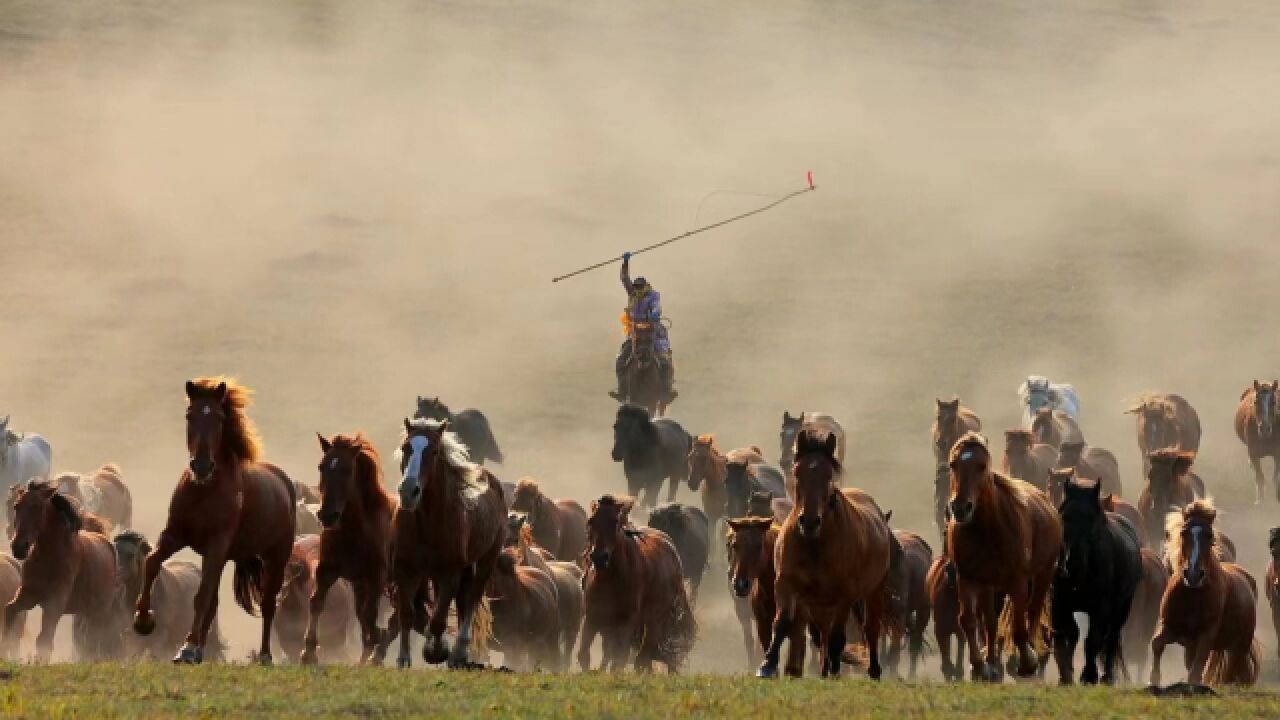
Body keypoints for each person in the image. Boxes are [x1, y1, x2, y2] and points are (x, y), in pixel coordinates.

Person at [609, 252, 676, 402]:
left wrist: (654, 315)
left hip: (652, 332)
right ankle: (621, 390)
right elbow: (624, 278)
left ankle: (666, 391)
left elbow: (657, 307)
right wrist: (625, 262)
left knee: (664, 360)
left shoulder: (653, 295)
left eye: (639, 288)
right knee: (621, 360)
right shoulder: (632, 292)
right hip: (634, 333)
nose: (637, 291)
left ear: (645, 287)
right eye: (635, 288)